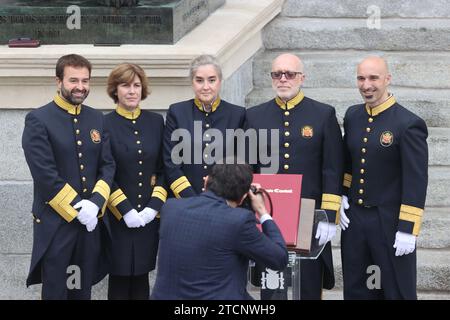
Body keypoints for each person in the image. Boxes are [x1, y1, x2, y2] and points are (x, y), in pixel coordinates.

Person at [245, 53, 344, 299]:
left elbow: (332, 167)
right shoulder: (254, 116)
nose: (283, 79)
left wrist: (329, 215)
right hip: (269, 213)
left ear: (302, 78)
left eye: (289, 74)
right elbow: (248, 169)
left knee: (309, 286)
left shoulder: (323, 115)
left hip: (308, 216)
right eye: (277, 74)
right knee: (272, 285)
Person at [22, 54, 115, 299]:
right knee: (56, 291)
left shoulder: (96, 118)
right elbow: (45, 174)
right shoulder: (38, 119)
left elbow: (107, 166)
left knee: (81, 290)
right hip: (57, 225)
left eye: (85, 81)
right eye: (73, 80)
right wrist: (78, 208)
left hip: (90, 223)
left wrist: (95, 205)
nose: (80, 87)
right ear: (58, 81)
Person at [339, 56, 428, 300]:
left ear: (387, 79)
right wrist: (343, 196)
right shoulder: (353, 116)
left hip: (388, 222)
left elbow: (416, 179)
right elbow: (350, 163)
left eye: (373, 78)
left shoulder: (408, 124)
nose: (366, 85)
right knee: (358, 288)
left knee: (395, 289)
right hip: (356, 221)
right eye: (361, 78)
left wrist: (408, 229)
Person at [151, 162, 288, 299]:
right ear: (243, 197)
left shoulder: (171, 208)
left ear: (206, 183)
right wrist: (262, 211)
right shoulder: (239, 221)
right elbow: (279, 259)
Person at [103, 63, 167, 300]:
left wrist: (153, 208)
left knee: (142, 277)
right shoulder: (104, 124)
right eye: (125, 85)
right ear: (115, 90)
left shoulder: (155, 122)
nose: (132, 91)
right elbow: (105, 173)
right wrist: (125, 210)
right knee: (119, 280)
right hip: (118, 218)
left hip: (148, 219)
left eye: (137, 85)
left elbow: (163, 169)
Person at [163, 54, 246, 198]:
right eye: (199, 80)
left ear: (220, 81)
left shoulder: (237, 114)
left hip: (224, 202)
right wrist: (191, 199)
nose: (206, 87)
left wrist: (224, 200)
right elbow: (171, 163)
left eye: (212, 80)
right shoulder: (177, 112)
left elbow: (240, 163)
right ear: (192, 82)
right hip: (186, 201)